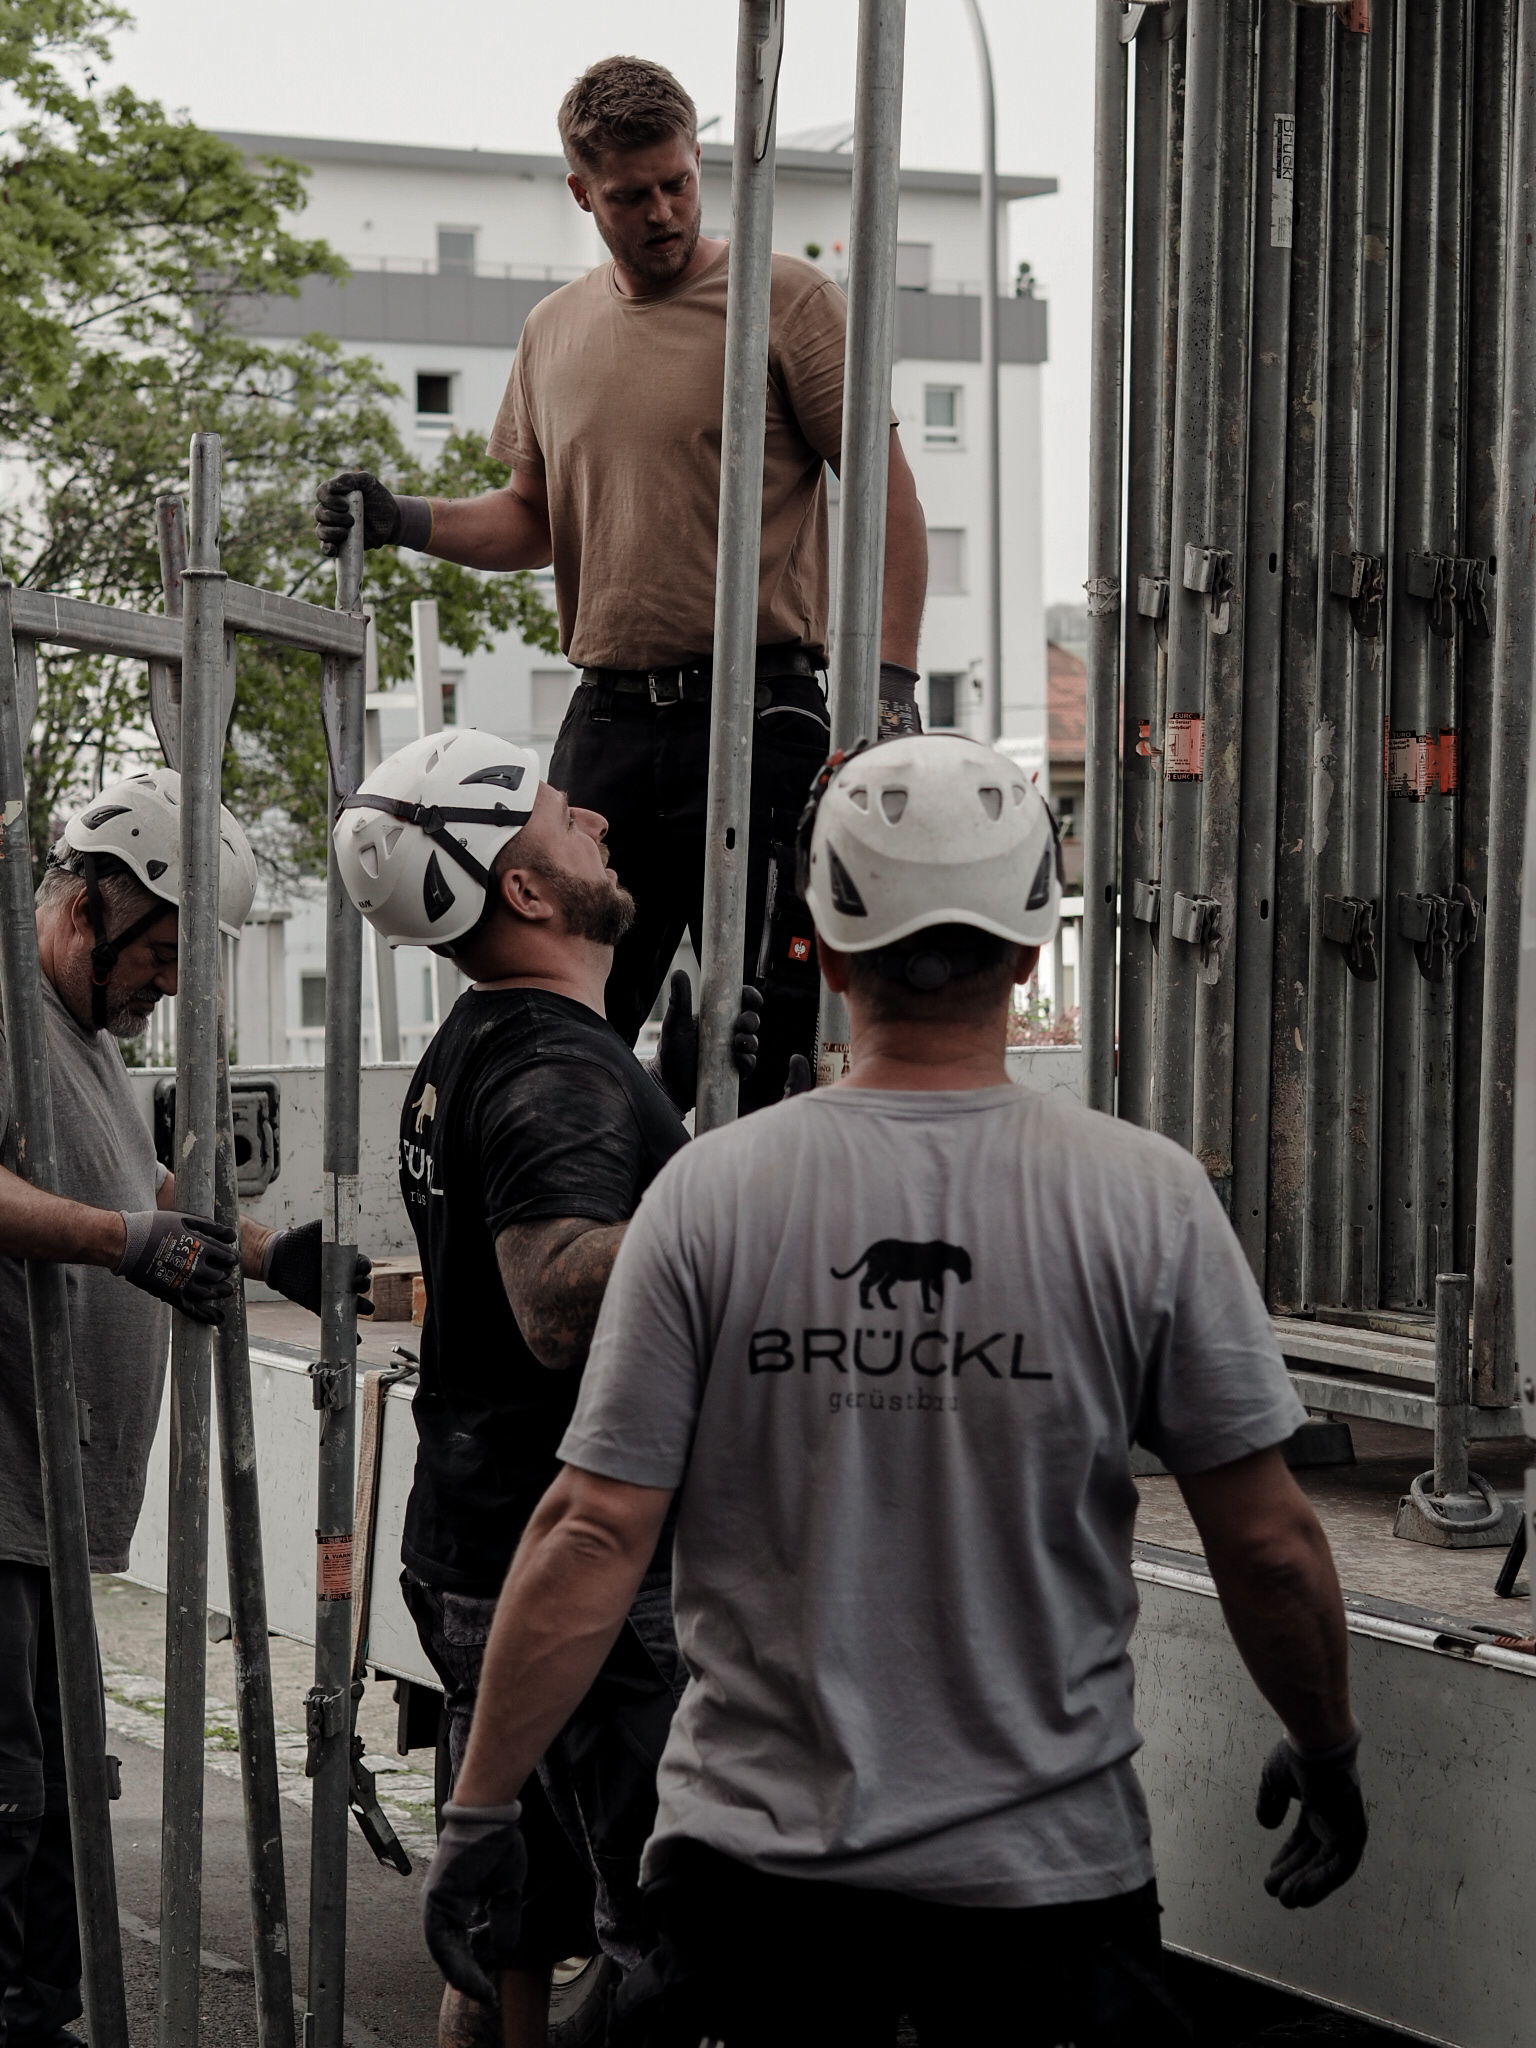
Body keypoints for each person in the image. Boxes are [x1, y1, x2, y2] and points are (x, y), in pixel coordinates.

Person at [418, 732, 1370, 2046]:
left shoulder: (712, 1193)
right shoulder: (1143, 1197)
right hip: (1046, 1901)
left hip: (751, 1906)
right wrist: (1326, 1747)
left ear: (824, 940)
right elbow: (1266, 1545)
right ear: (1033, 950)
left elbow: (589, 1533)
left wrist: (477, 1813)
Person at [315, 53, 931, 1110]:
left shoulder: (785, 301)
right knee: (562, 1002)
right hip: (609, 720)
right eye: (630, 194)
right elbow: (534, 519)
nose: (662, 212)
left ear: (698, 163)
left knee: (775, 1029)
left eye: (678, 182)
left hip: (764, 708)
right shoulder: (553, 330)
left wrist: (889, 691)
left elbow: (888, 501)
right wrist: (403, 518)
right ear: (581, 193)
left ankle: (745, 1204)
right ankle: (617, 1205)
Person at [335, 727, 770, 2048]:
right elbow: (562, 1293)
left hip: (479, 1541)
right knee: (675, 1945)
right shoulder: (553, 1068)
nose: (590, 815)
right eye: (556, 813)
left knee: (509, 1931)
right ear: (522, 890)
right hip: (576, 1569)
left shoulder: (492, 1040)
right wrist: (765, 1192)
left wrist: (681, 1114)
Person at [0, 769, 372, 2048]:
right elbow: (110, 1208)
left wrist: (265, 1255)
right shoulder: (2, 1004)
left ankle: (38, 2019)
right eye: (158, 953)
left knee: (53, 1804)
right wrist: (120, 1241)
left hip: (45, 1506)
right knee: (5, 1803)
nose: (167, 986)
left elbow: (132, 1172)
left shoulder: (83, 1040)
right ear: (94, 902)